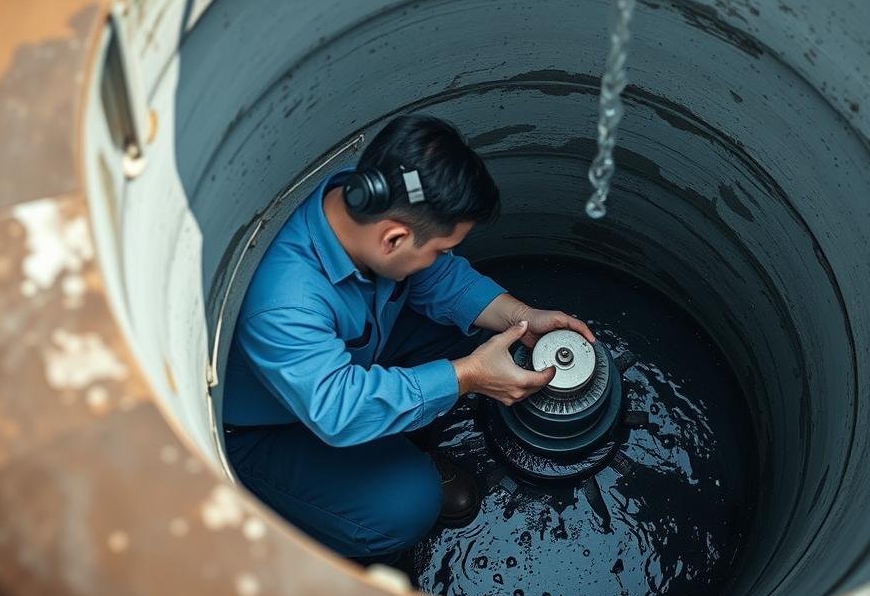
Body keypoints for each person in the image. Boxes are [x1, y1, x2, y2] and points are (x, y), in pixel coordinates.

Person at [221, 114, 595, 560]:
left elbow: (441, 280)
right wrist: (468, 376)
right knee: (408, 505)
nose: (443, 257)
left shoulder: (365, 204)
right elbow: (340, 409)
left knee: (482, 331)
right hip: (276, 425)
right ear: (394, 240)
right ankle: (334, 517)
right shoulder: (286, 305)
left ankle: (398, 435)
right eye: (438, 248)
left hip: (355, 360)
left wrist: (521, 316)